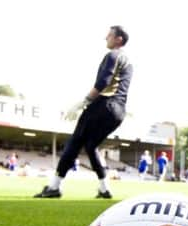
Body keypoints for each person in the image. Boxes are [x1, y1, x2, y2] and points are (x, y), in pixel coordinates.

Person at [34, 26, 132, 199]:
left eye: (109, 35)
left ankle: (54, 186)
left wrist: (84, 101)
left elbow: (104, 81)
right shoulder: (129, 62)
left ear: (119, 39)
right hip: (119, 112)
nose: (105, 38)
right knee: (91, 146)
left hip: (104, 104)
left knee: (75, 141)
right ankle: (104, 188)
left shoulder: (113, 55)